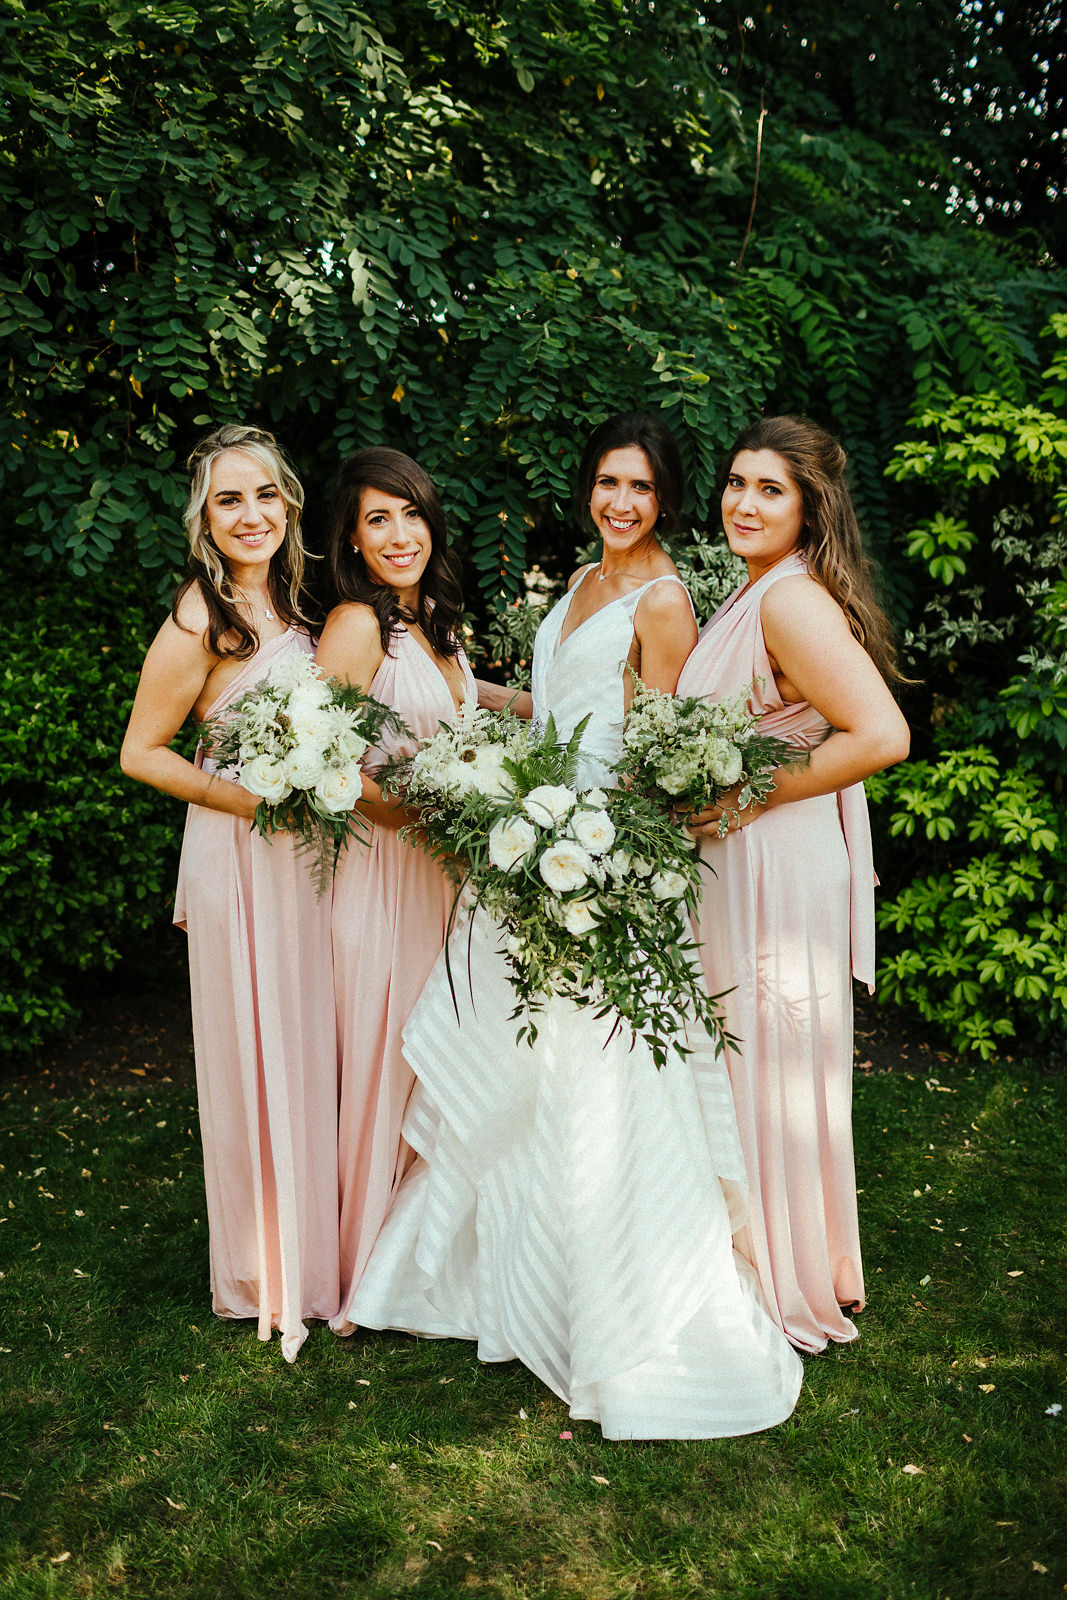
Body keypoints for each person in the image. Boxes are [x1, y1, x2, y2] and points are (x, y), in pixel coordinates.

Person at [347, 412, 804, 1439]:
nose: (619, 503)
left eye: (639, 488)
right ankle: (499, 1277)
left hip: (596, 865)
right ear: (588, 488)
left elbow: (654, 747)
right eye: (605, 482)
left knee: (599, 1083)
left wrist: (594, 844)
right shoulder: (579, 581)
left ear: (666, 499)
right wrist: (475, 720)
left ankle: (610, 1302)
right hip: (532, 846)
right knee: (522, 1075)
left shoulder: (663, 598)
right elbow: (561, 703)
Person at [677, 414, 911, 1354]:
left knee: (766, 1062)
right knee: (754, 1064)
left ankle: (778, 1277)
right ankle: (779, 1259)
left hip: (775, 856)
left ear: (810, 508)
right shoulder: (758, 592)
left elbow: (881, 736)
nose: (744, 502)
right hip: (752, 852)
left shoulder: (788, 601)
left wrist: (740, 796)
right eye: (736, 483)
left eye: (770, 489)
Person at [120, 423, 339, 1361]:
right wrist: (246, 800)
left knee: (316, 1039)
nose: (250, 515)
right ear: (204, 520)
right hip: (240, 851)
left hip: (313, 857)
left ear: (288, 503)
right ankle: (262, 1265)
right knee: (253, 1048)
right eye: (228, 500)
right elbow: (141, 752)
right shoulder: (199, 617)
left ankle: (327, 1246)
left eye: (263, 496)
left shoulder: (313, 604)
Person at [313, 449, 475, 1335]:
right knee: (381, 1053)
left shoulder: (433, 624)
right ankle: (360, 1257)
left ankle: (419, 1248)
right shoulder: (355, 625)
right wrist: (416, 820)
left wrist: (539, 707)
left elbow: (456, 707)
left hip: (441, 881)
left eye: (409, 513)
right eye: (377, 519)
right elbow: (319, 763)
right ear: (350, 536)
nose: (398, 534)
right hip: (382, 872)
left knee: (427, 1053)